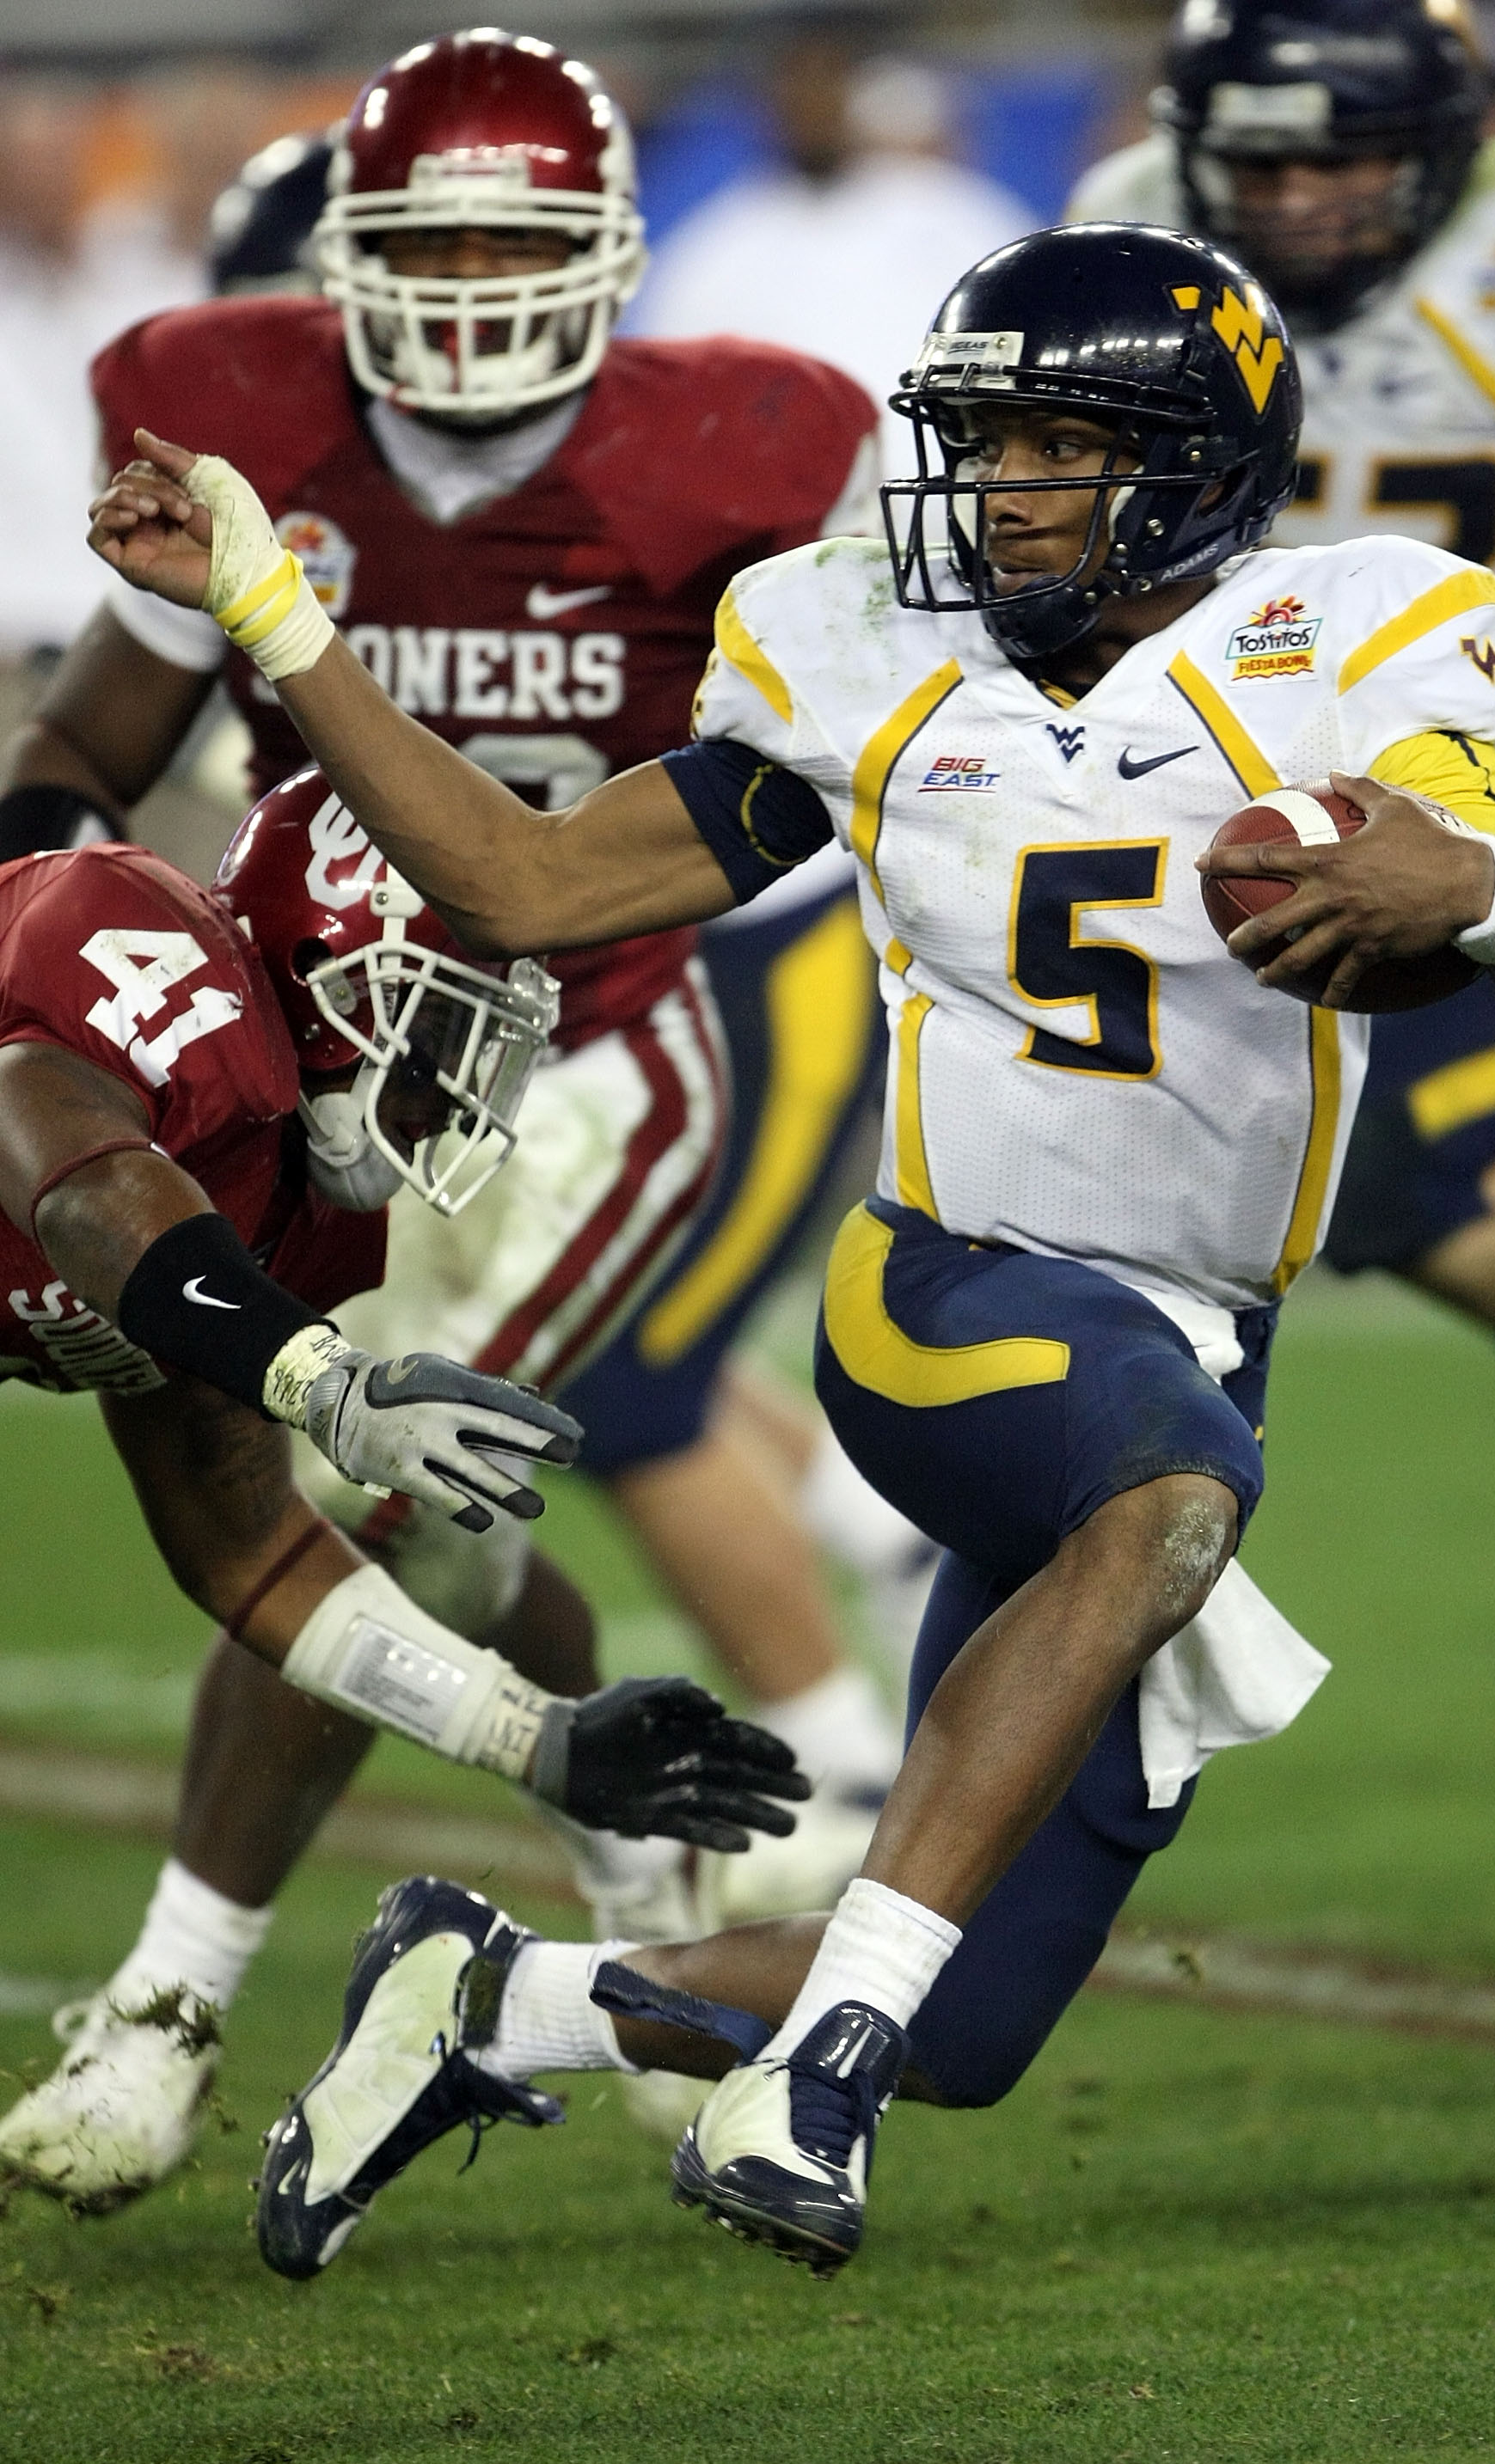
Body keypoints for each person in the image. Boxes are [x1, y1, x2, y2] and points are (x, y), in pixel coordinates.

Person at [89, 219, 1495, 2280]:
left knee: (979, 2014)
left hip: (1186, 1337)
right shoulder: (859, 640)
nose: (996, 488)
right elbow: (529, 882)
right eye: (979, 440)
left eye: (1058, 444)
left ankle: (485, 1995)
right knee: (1168, 1497)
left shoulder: (1360, 630)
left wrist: (1482, 891)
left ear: (1198, 459)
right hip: (945, 1296)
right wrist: (278, 618)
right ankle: (813, 2065)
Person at [0, 28, 900, 2186]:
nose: (483, 282)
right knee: (455, 1535)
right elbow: (90, 747)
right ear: (345, 254)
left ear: (612, 254)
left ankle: (170, 1999)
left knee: (388, 1485)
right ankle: (626, 1831)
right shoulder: (232, 410)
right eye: (437, 239)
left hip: (597, 1045)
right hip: (299, 1021)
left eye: (528, 237)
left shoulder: (753, 447)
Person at [0, 769, 807, 2211]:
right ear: (335, 982)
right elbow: (65, 1175)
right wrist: (320, 1382)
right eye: (437, 1020)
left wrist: (536, 1742)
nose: (457, 1076)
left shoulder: (271, 1189)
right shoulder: (143, 981)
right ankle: (166, 2005)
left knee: (411, 1519)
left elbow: (251, 1561)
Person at [1069, 0, 1495, 1585]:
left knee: (1370, 1162)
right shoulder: (1134, 236)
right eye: (1256, 162)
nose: (1295, 197)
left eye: (1341, 155)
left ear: (1442, 144)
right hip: (1361, 880)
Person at [628, 34, 1037, 479]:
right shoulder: (715, 246)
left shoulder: (950, 207)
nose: (812, 107)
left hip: (957, 485)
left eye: (827, 86)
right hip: (793, 509)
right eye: (797, 91)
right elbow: (675, 396)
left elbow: (1032, 322)